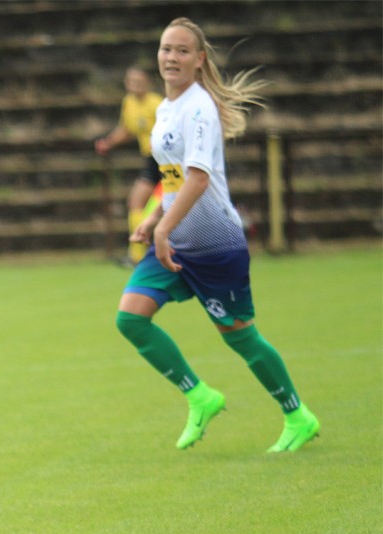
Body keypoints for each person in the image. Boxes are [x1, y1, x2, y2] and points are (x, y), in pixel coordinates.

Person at [116, 17, 320, 453]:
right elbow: (174, 180)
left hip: (215, 246)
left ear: (199, 59)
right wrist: (155, 220)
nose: (172, 57)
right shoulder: (165, 110)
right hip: (176, 241)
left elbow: (199, 178)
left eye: (182, 50)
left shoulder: (199, 108)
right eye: (166, 48)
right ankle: (200, 396)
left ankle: (297, 415)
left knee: (241, 338)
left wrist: (163, 228)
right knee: (131, 318)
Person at [95, 66, 164, 265]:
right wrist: (109, 142)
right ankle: (138, 254)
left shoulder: (156, 104)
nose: (135, 85)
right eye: (132, 81)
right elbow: (126, 129)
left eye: (139, 81)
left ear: (148, 83)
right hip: (150, 159)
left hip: (163, 158)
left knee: (145, 204)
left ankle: (141, 254)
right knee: (136, 203)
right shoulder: (129, 103)